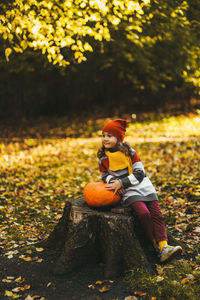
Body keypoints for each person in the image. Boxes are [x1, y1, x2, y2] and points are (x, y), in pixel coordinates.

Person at [97, 119, 182, 262]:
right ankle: (157, 247)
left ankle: (164, 245)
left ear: (119, 138)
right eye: (103, 135)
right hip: (128, 191)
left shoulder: (130, 152)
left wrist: (121, 182)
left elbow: (139, 173)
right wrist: (115, 183)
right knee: (144, 214)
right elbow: (104, 176)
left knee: (157, 215)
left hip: (142, 185)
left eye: (109, 135)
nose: (105, 138)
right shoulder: (102, 157)